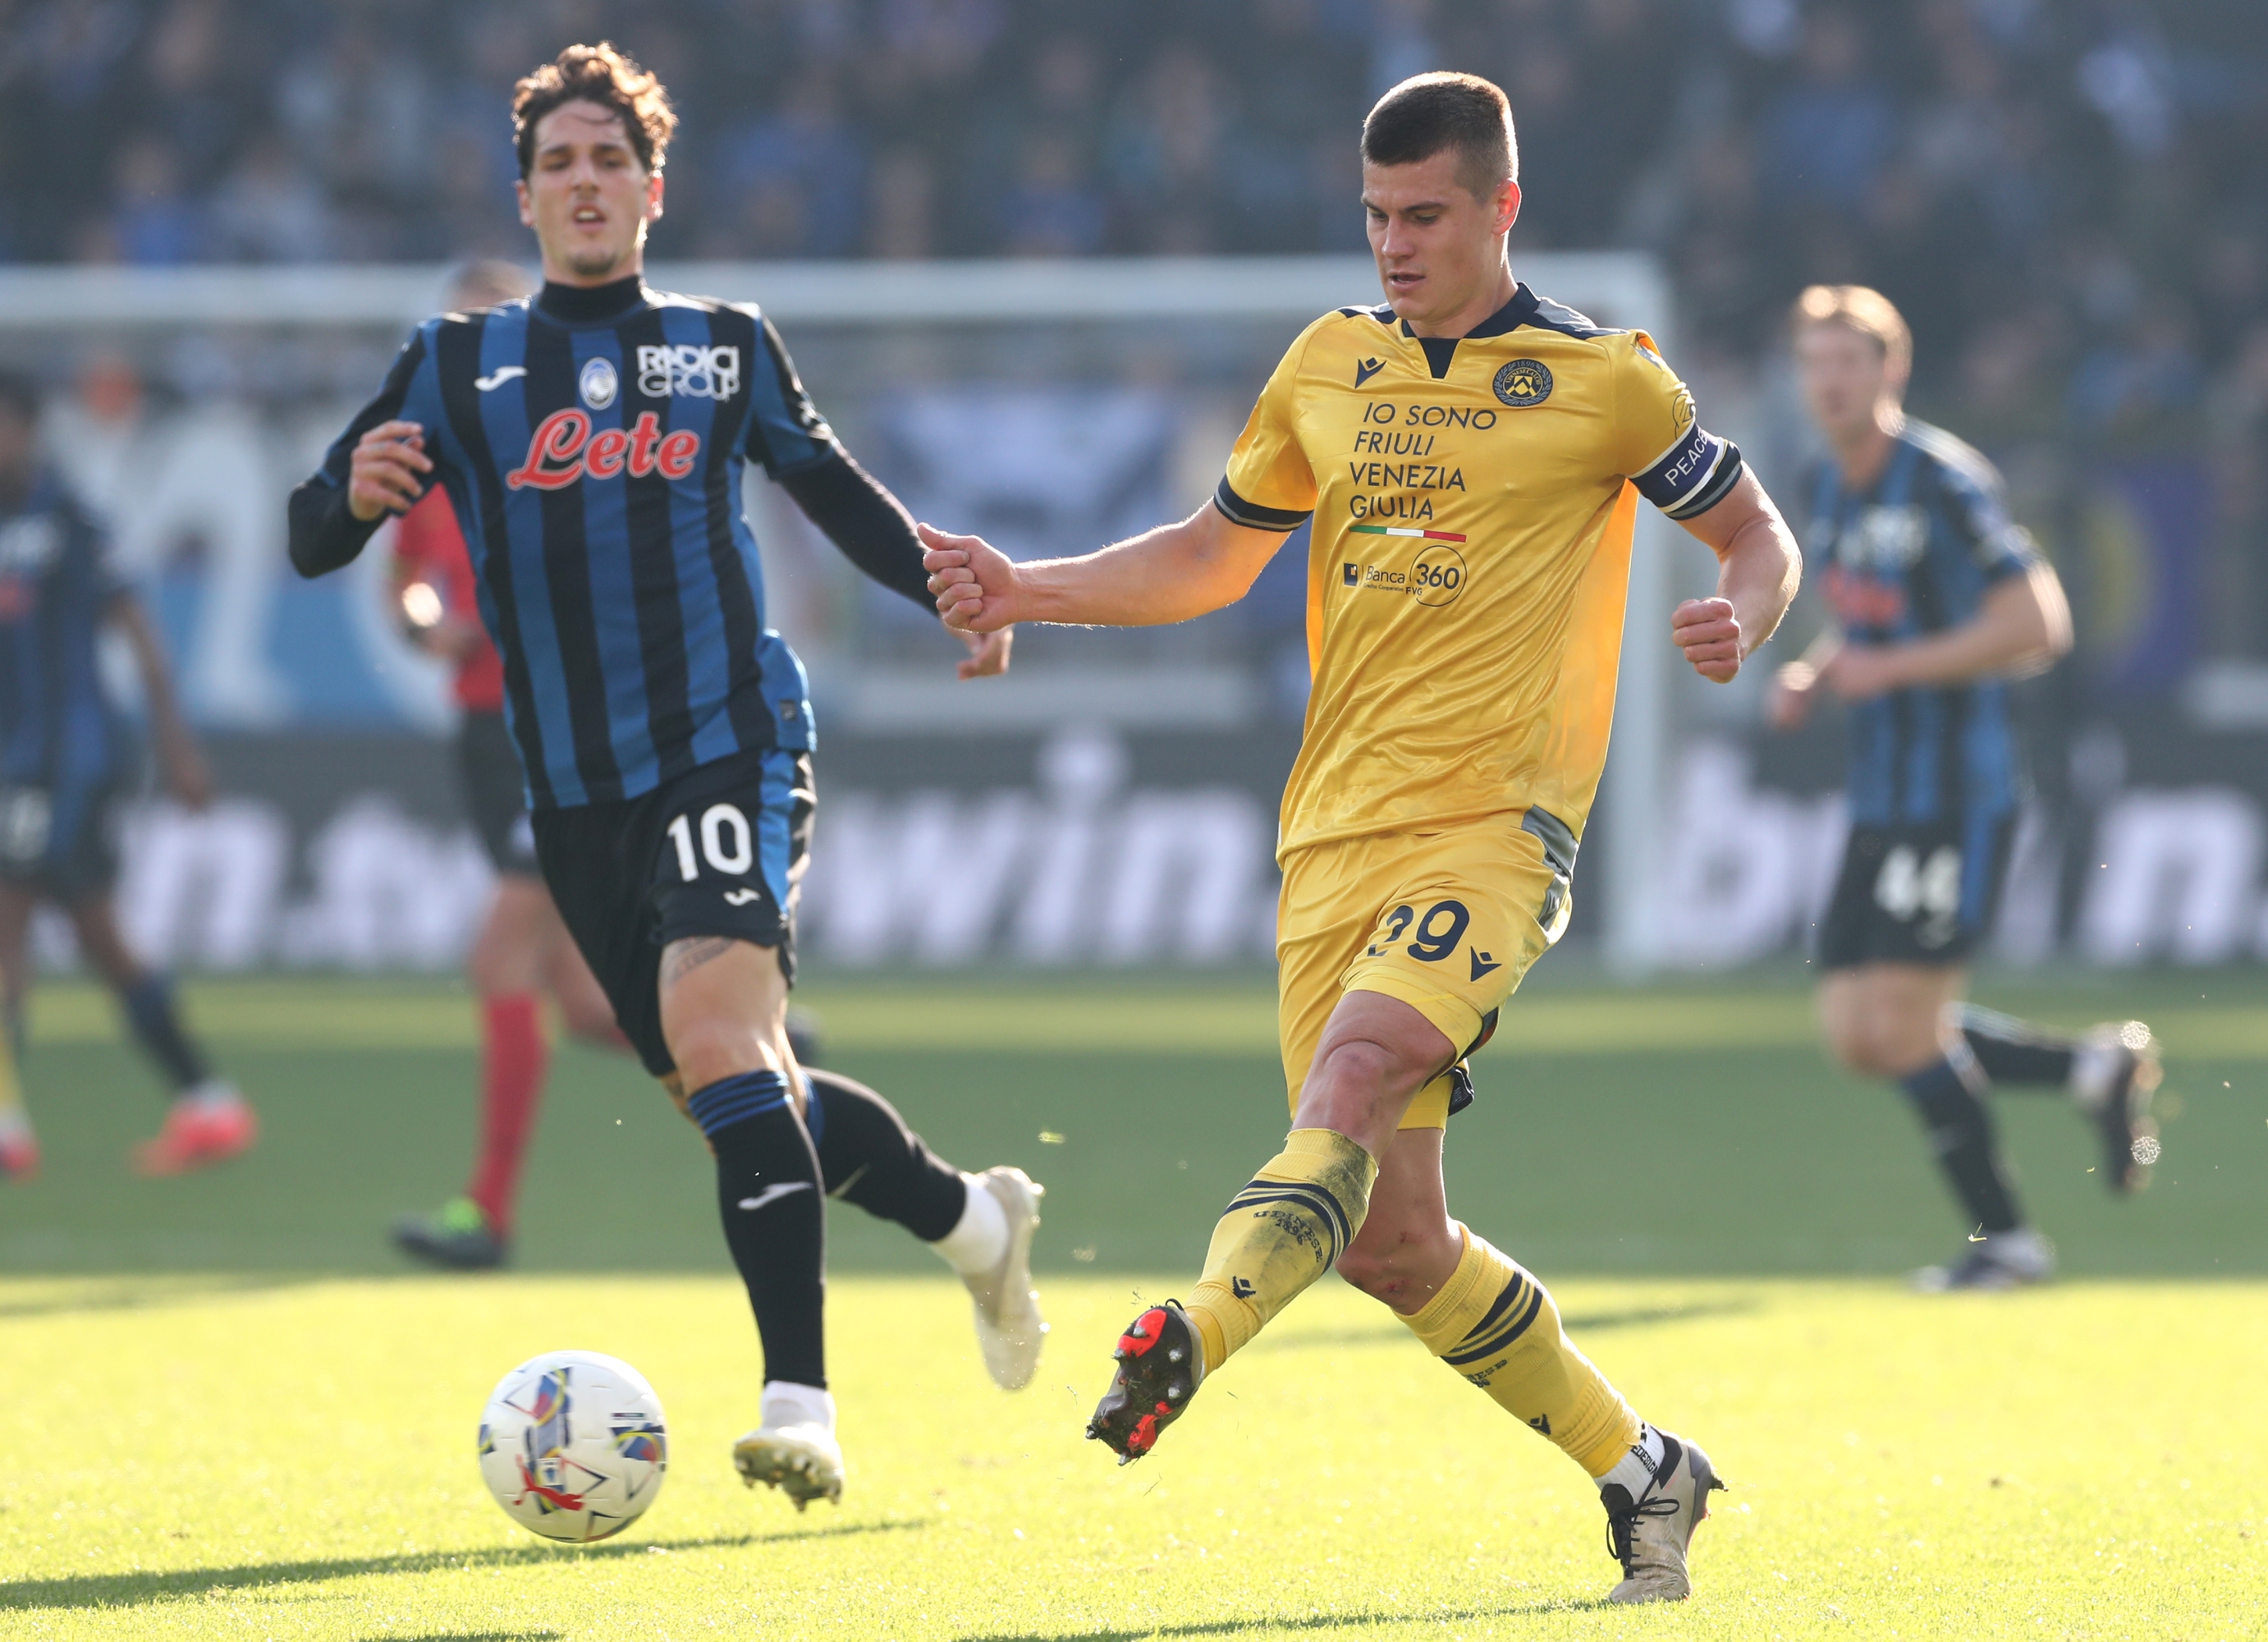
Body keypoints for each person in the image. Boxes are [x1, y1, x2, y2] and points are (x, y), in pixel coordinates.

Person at [923, 72, 1802, 1604]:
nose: (1393, 244)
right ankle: (1642, 1469)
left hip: (1494, 833)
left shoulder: (1603, 380)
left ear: (1499, 207)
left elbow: (1753, 526)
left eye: (1425, 216)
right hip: (1328, 841)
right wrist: (1026, 589)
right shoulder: (1327, 363)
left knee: (1355, 1073)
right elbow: (1208, 557)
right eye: (1375, 216)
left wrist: (1746, 613)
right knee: (1396, 1245)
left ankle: (1187, 1334)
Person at [286, 44, 1046, 1509]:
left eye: (608, 161)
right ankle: (972, 1227)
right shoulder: (456, 364)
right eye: (558, 164)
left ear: (651, 188)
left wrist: (961, 593)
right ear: (525, 196)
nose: (584, 184)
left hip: (728, 740)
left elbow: (838, 500)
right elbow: (314, 530)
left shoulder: (722, 347)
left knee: (717, 1039)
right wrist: (349, 497)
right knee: (742, 1085)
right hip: (571, 799)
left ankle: (801, 1404)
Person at [1768, 285, 2160, 1292]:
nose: (1830, 381)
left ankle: (2010, 1244)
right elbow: (1870, 617)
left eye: (1848, 362)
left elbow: (2039, 622)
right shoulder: (1829, 483)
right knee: (1859, 1033)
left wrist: (1888, 671)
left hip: (1958, 791)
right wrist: (1819, 670)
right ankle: (2088, 1068)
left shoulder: (1942, 480)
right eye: (1815, 363)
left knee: (1901, 1025)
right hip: (1883, 793)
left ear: (1890, 371)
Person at [384, 257, 635, 1271]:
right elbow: (406, 583)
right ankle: (773, 1065)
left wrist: (477, 621)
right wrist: (428, 623)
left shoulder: (572, 448)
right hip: (482, 731)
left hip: (559, 723)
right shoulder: (427, 459)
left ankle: (485, 1213)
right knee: (582, 1005)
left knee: (499, 959)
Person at [0, 371, 254, 1181]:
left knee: (6, 914)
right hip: (20, 759)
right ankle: (209, 1098)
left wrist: (177, 746)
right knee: (100, 936)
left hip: (66, 759)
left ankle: (6, 1127)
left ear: (30, 430)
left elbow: (138, 628)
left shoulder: (69, 520)